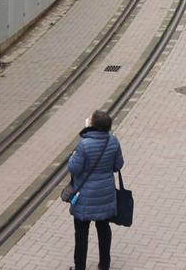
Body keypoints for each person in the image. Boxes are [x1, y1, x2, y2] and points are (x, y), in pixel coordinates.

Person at [68, 110, 124, 270]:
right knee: (104, 229)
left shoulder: (84, 145)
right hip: (105, 195)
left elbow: (74, 168)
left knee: (81, 233)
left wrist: (72, 156)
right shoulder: (113, 141)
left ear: (93, 125)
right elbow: (118, 165)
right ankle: (104, 264)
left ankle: (80, 267)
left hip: (84, 196)